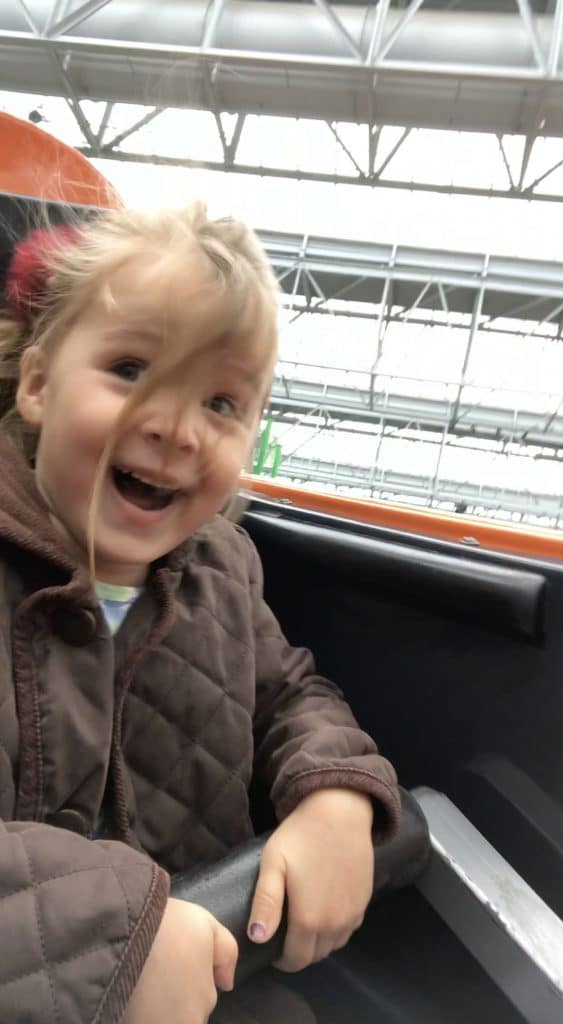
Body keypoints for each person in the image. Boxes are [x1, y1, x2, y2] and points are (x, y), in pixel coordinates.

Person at [0, 201, 400, 1024]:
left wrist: (335, 792)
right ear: (39, 384)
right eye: (132, 370)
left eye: (221, 404)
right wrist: (116, 928)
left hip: (217, 980)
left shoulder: (222, 567)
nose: (178, 430)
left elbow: (289, 695)